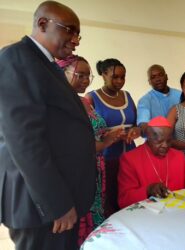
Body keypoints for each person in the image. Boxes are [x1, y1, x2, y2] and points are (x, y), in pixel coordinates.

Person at [0, 1, 96, 249]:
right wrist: (57, 204)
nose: (76, 40)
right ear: (43, 24)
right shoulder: (16, 58)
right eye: (69, 30)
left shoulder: (46, 64)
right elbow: (24, 141)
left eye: (78, 34)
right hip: (41, 205)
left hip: (56, 200)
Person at [57, 55, 125, 246]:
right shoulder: (59, 104)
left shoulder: (84, 102)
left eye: (88, 76)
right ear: (63, 73)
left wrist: (109, 135)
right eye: (80, 75)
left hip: (96, 168)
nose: (86, 80)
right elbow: (75, 143)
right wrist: (106, 143)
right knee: (77, 221)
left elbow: (94, 131)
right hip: (77, 171)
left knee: (95, 215)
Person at [86, 58, 140, 217]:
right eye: (115, 77)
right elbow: (87, 132)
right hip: (107, 158)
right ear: (103, 75)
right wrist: (111, 136)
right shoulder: (92, 98)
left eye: (123, 77)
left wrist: (135, 130)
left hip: (130, 157)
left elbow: (136, 123)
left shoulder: (127, 96)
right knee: (110, 200)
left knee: (130, 198)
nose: (120, 81)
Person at [118, 116, 185, 209]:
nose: (165, 145)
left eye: (169, 141)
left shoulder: (178, 156)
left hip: (178, 211)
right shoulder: (130, 159)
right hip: (146, 216)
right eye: (160, 141)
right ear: (149, 138)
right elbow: (124, 200)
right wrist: (148, 190)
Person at [137, 64, 181, 133]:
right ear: (149, 82)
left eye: (160, 75)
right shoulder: (144, 101)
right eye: (153, 77)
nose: (158, 79)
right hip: (157, 142)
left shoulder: (180, 95)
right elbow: (143, 124)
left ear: (166, 77)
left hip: (180, 141)